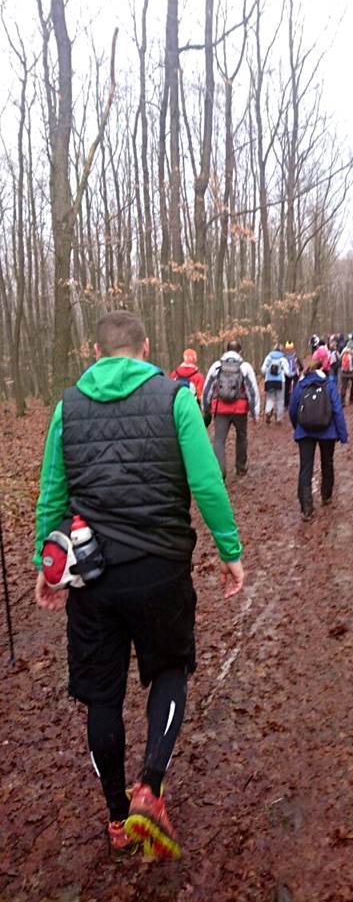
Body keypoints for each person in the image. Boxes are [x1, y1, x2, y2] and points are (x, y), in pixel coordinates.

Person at [33, 310, 244, 862]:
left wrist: (44, 562)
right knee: (169, 671)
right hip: (160, 571)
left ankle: (115, 821)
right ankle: (149, 788)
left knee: (101, 697)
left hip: (92, 578)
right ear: (145, 346)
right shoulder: (173, 397)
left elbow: (52, 490)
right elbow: (205, 480)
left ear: (97, 351)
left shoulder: (67, 407)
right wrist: (230, 551)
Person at [289, 358, 348, 520]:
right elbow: (337, 410)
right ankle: (326, 495)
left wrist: (298, 427)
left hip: (305, 432)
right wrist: (342, 434)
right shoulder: (329, 385)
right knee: (327, 462)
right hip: (327, 431)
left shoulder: (301, 385)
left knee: (305, 467)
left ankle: (306, 508)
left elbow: (293, 409)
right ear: (322, 369)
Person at [202, 339, 260, 478]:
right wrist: (255, 412)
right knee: (241, 437)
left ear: (226, 350)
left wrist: (206, 406)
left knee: (219, 440)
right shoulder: (244, 367)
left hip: (220, 409)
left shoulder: (217, 366)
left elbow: (207, 388)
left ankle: (220, 471)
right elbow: (252, 390)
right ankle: (241, 467)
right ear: (240, 351)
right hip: (240, 409)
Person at [261, 343, 290, 424]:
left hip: (269, 381)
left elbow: (263, 370)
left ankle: (268, 411)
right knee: (280, 400)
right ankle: (279, 419)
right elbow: (287, 372)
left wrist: (267, 372)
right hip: (280, 381)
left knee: (269, 398)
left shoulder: (268, 357)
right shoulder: (283, 359)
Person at [283, 341, 302, 408]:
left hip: (286, 374)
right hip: (294, 373)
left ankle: (286, 404)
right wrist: (300, 369)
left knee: (286, 388)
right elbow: (300, 364)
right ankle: (295, 401)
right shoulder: (295, 355)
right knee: (295, 387)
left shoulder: (284, 356)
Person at [340, 339, 353, 406]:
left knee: (343, 387)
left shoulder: (343, 353)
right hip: (352, 373)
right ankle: (351, 399)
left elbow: (339, 361)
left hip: (343, 373)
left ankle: (342, 401)